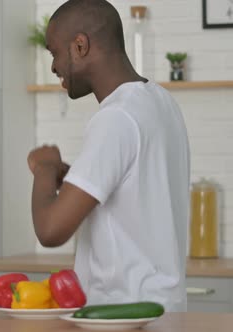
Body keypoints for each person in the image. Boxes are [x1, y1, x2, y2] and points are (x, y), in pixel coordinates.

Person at [27, 0, 190, 312]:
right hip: (162, 309)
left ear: (80, 46)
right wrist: (73, 177)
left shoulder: (116, 117)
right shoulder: (160, 102)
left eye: (54, 52)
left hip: (123, 313)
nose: (53, 66)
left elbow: (50, 230)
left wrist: (44, 168)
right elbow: (133, 189)